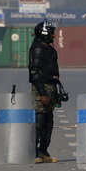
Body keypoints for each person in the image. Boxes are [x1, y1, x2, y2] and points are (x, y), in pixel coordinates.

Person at [28, 19, 60, 163]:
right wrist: (42, 93)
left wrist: (56, 92)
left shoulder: (50, 49)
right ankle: (33, 152)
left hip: (51, 87)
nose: (54, 35)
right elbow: (34, 72)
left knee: (49, 122)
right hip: (41, 87)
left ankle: (43, 151)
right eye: (52, 32)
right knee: (39, 121)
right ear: (45, 33)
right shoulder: (38, 49)